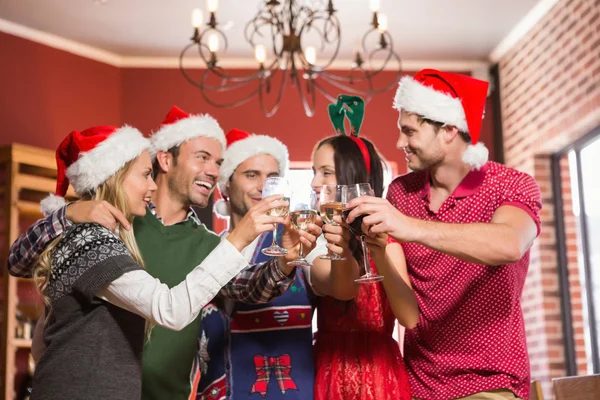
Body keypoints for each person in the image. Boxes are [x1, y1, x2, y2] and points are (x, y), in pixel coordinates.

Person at [8, 106, 319, 400]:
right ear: (165, 161)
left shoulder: (206, 243)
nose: (213, 171)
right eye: (203, 157)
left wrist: (285, 259)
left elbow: (250, 287)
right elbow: (20, 262)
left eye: (219, 163)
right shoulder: (108, 227)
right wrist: (70, 212)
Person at [346, 70, 542, 399]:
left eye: (409, 132)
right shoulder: (401, 193)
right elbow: (407, 314)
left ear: (449, 130)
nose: (399, 143)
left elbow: (509, 244)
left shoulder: (509, 184)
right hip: (420, 384)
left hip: (491, 383)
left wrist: (411, 228)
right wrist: (379, 250)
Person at [192, 128, 320, 400]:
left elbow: (335, 286)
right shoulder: (207, 249)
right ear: (226, 184)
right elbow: (247, 286)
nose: (264, 186)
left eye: (273, 178)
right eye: (251, 175)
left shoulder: (301, 242)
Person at [307, 95, 418, 400]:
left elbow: (409, 319)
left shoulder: (388, 240)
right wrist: (340, 242)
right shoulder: (316, 237)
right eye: (314, 172)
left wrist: (380, 252)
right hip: (330, 370)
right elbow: (343, 289)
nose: (316, 182)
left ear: (352, 178)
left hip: (380, 375)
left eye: (326, 172)